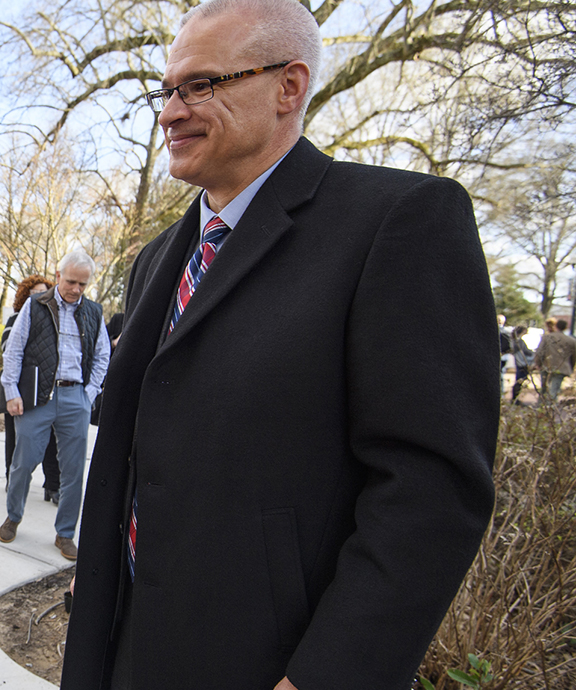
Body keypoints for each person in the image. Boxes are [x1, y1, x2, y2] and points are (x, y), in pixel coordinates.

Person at [61, 1, 498, 688]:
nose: (171, 111)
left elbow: (429, 493)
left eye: (201, 85)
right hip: (128, 652)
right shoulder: (155, 261)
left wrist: (327, 677)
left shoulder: (400, 222)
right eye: (166, 90)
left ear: (288, 87)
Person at [0, 250, 110, 561]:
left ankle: (65, 534)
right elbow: (15, 349)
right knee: (24, 462)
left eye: (83, 284)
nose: (76, 289)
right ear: (58, 276)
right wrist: (11, 391)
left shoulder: (94, 312)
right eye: (72, 281)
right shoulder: (35, 306)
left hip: (76, 397)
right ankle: (13, 516)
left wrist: (88, 395)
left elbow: (102, 356)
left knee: (74, 471)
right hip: (38, 398)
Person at [1, 275, 61, 503]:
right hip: (18, 386)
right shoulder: (15, 319)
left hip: (46, 389)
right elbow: (8, 349)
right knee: (14, 438)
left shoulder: (55, 320)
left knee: (51, 440)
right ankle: (12, 479)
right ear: (25, 296)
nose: (39, 296)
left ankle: (53, 486)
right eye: (34, 292)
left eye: (43, 292)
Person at [534, 318, 576, 403]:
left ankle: (542, 407)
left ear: (556, 326)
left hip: (547, 365)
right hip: (562, 367)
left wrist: (537, 363)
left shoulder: (547, 337)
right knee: (554, 389)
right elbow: (574, 357)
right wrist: (571, 367)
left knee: (544, 388)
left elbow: (540, 351)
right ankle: (550, 407)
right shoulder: (571, 340)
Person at [510, 325, 534, 403]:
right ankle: (515, 399)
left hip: (519, 362)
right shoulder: (519, 341)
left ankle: (515, 398)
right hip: (522, 363)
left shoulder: (514, 341)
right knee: (519, 381)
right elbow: (526, 352)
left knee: (519, 380)